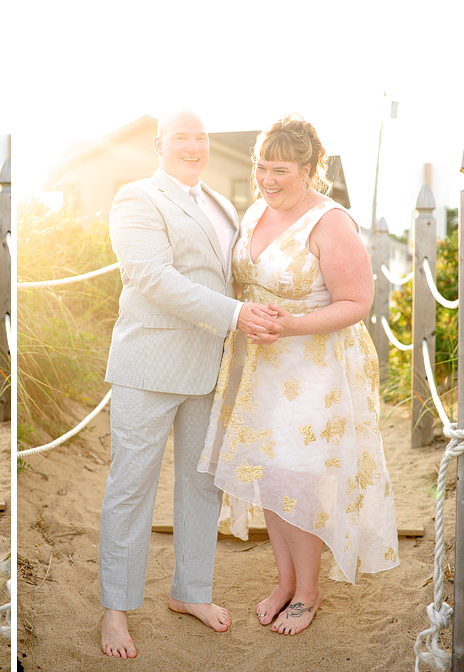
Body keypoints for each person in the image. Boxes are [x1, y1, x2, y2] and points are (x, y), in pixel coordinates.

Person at [198, 114, 399, 636]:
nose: (268, 179)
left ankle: (308, 593)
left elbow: (358, 301)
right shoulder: (255, 211)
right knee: (269, 473)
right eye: (262, 167)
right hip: (257, 365)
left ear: (311, 169)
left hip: (314, 370)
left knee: (298, 477)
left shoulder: (331, 222)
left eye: (281, 169)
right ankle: (285, 580)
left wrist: (293, 326)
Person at [99, 108, 282, 658]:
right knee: (131, 488)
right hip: (150, 365)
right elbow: (152, 277)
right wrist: (234, 314)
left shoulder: (223, 203)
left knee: (203, 484)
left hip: (212, 368)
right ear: (158, 144)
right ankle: (116, 610)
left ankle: (191, 592)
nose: (194, 145)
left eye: (201, 137)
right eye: (182, 136)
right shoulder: (137, 198)